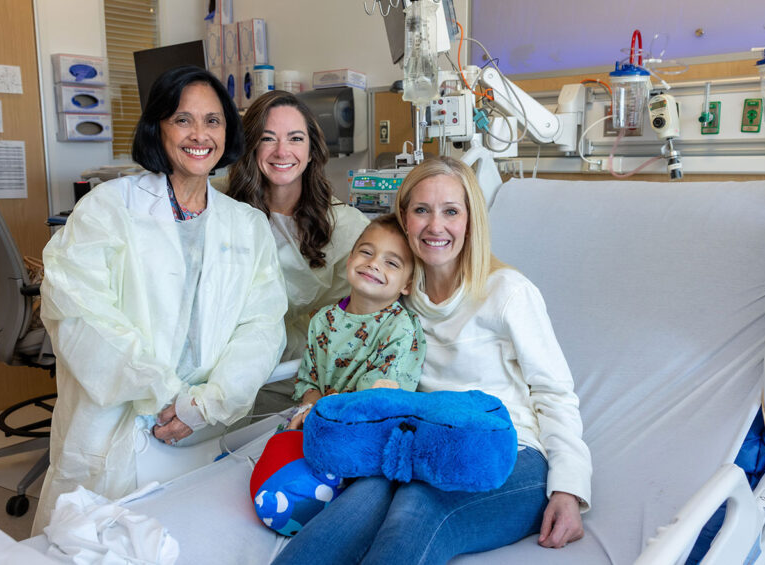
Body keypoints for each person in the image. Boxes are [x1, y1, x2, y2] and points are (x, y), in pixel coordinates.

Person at [272, 157, 592, 564]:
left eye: (451, 212)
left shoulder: (508, 294)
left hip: (507, 452)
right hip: (420, 443)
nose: (435, 226)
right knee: (359, 503)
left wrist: (569, 488)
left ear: (471, 221)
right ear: (404, 218)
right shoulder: (401, 296)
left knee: (417, 510)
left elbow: (555, 393)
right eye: (422, 210)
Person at [32, 66, 287, 534]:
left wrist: (207, 404)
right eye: (182, 119)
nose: (200, 135)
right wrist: (163, 394)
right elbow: (78, 313)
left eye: (213, 121)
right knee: (94, 544)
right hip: (117, 423)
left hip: (204, 426)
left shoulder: (245, 225)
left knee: (194, 539)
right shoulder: (108, 208)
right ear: (157, 128)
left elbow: (262, 326)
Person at [227, 90, 370, 363]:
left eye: (295, 139)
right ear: (251, 146)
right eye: (268, 138)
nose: (282, 151)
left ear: (311, 150)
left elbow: (362, 312)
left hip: (308, 366)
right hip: (232, 360)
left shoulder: (345, 226)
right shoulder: (224, 209)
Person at [287, 215, 426, 430]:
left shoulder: (400, 328)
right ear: (350, 259)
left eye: (391, 262)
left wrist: (328, 410)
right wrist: (309, 408)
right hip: (321, 422)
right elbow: (309, 380)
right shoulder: (322, 320)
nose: (373, 264)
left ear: (407, 284)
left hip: (367, 429)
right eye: (367, 252)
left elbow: (377, 396)